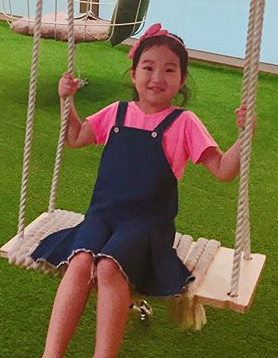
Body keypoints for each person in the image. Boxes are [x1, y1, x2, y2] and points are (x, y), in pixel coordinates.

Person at [31, 23, 250, 358]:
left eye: (169, 70)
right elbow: (74, 137)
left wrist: (245, 136)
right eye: (148, 68)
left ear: (182, 79)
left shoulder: (184, 122)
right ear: (134, 75)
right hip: (102, 216)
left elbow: (223, 170)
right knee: (80, 261)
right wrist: (67, 101)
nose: (157, 77)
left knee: (109, 266)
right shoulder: (116, 112)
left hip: (147, 226)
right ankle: (51, 353)